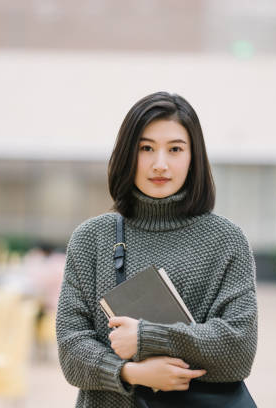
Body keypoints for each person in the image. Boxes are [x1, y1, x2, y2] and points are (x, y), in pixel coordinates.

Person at [56, 92, 258, 407]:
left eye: (175, 149)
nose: (160, 164)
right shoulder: (91, 239)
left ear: (194, 157)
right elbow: (71, 349)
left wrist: (145, 337)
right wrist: (132, 373)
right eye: (146, 148)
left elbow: (239, 348)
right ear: (127, 154)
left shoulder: (226, 240)